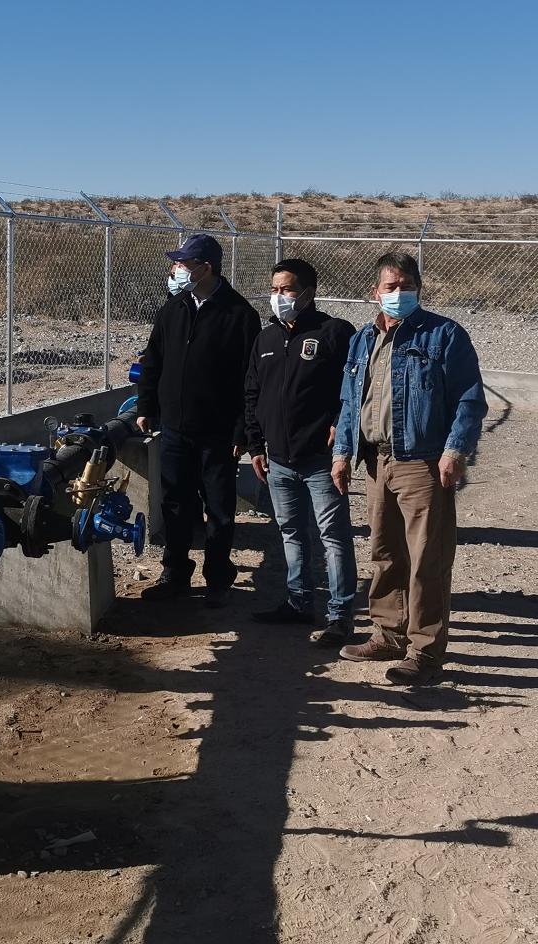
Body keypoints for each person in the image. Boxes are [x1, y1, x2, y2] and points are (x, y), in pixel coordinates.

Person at [331, 252, 487, 685]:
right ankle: (387, 633)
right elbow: (350, 402)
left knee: (427, 560)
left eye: (405, 286)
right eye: (390, 286)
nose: (398, 294)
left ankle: (425, 651)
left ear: (418, 288)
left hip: (423, 463)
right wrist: (342, 453)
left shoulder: (444, 335)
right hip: (377, 461)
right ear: (374, 292)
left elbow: (470, 399)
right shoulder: (362, 339)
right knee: (385, 554)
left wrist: (455, 451)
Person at [136, 233, 261, 607]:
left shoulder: (239, 315)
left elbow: (249, 379)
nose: (176, 270)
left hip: (217, 432)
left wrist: (243, 430)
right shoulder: (172, 309)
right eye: (176, 264)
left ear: (206, 268)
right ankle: (174, 574)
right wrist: (146, 405)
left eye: (184, 264)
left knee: (219, 508)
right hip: (174, 428)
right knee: (175, 503)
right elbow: (152, 360)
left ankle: (218, 578)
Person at [244, 259, 357, 646]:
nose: (279, 297)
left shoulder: (335, 333)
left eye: (287, 289)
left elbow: (354, 391)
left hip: (320, 461)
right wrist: (256, 446)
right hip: (277, 460)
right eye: (274, 289)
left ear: (308, 293)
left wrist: (339, 430)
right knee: (290, 532)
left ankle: (341, 615)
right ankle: (298, 602)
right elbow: (253, 394)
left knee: (333, 536)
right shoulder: (267, 339)